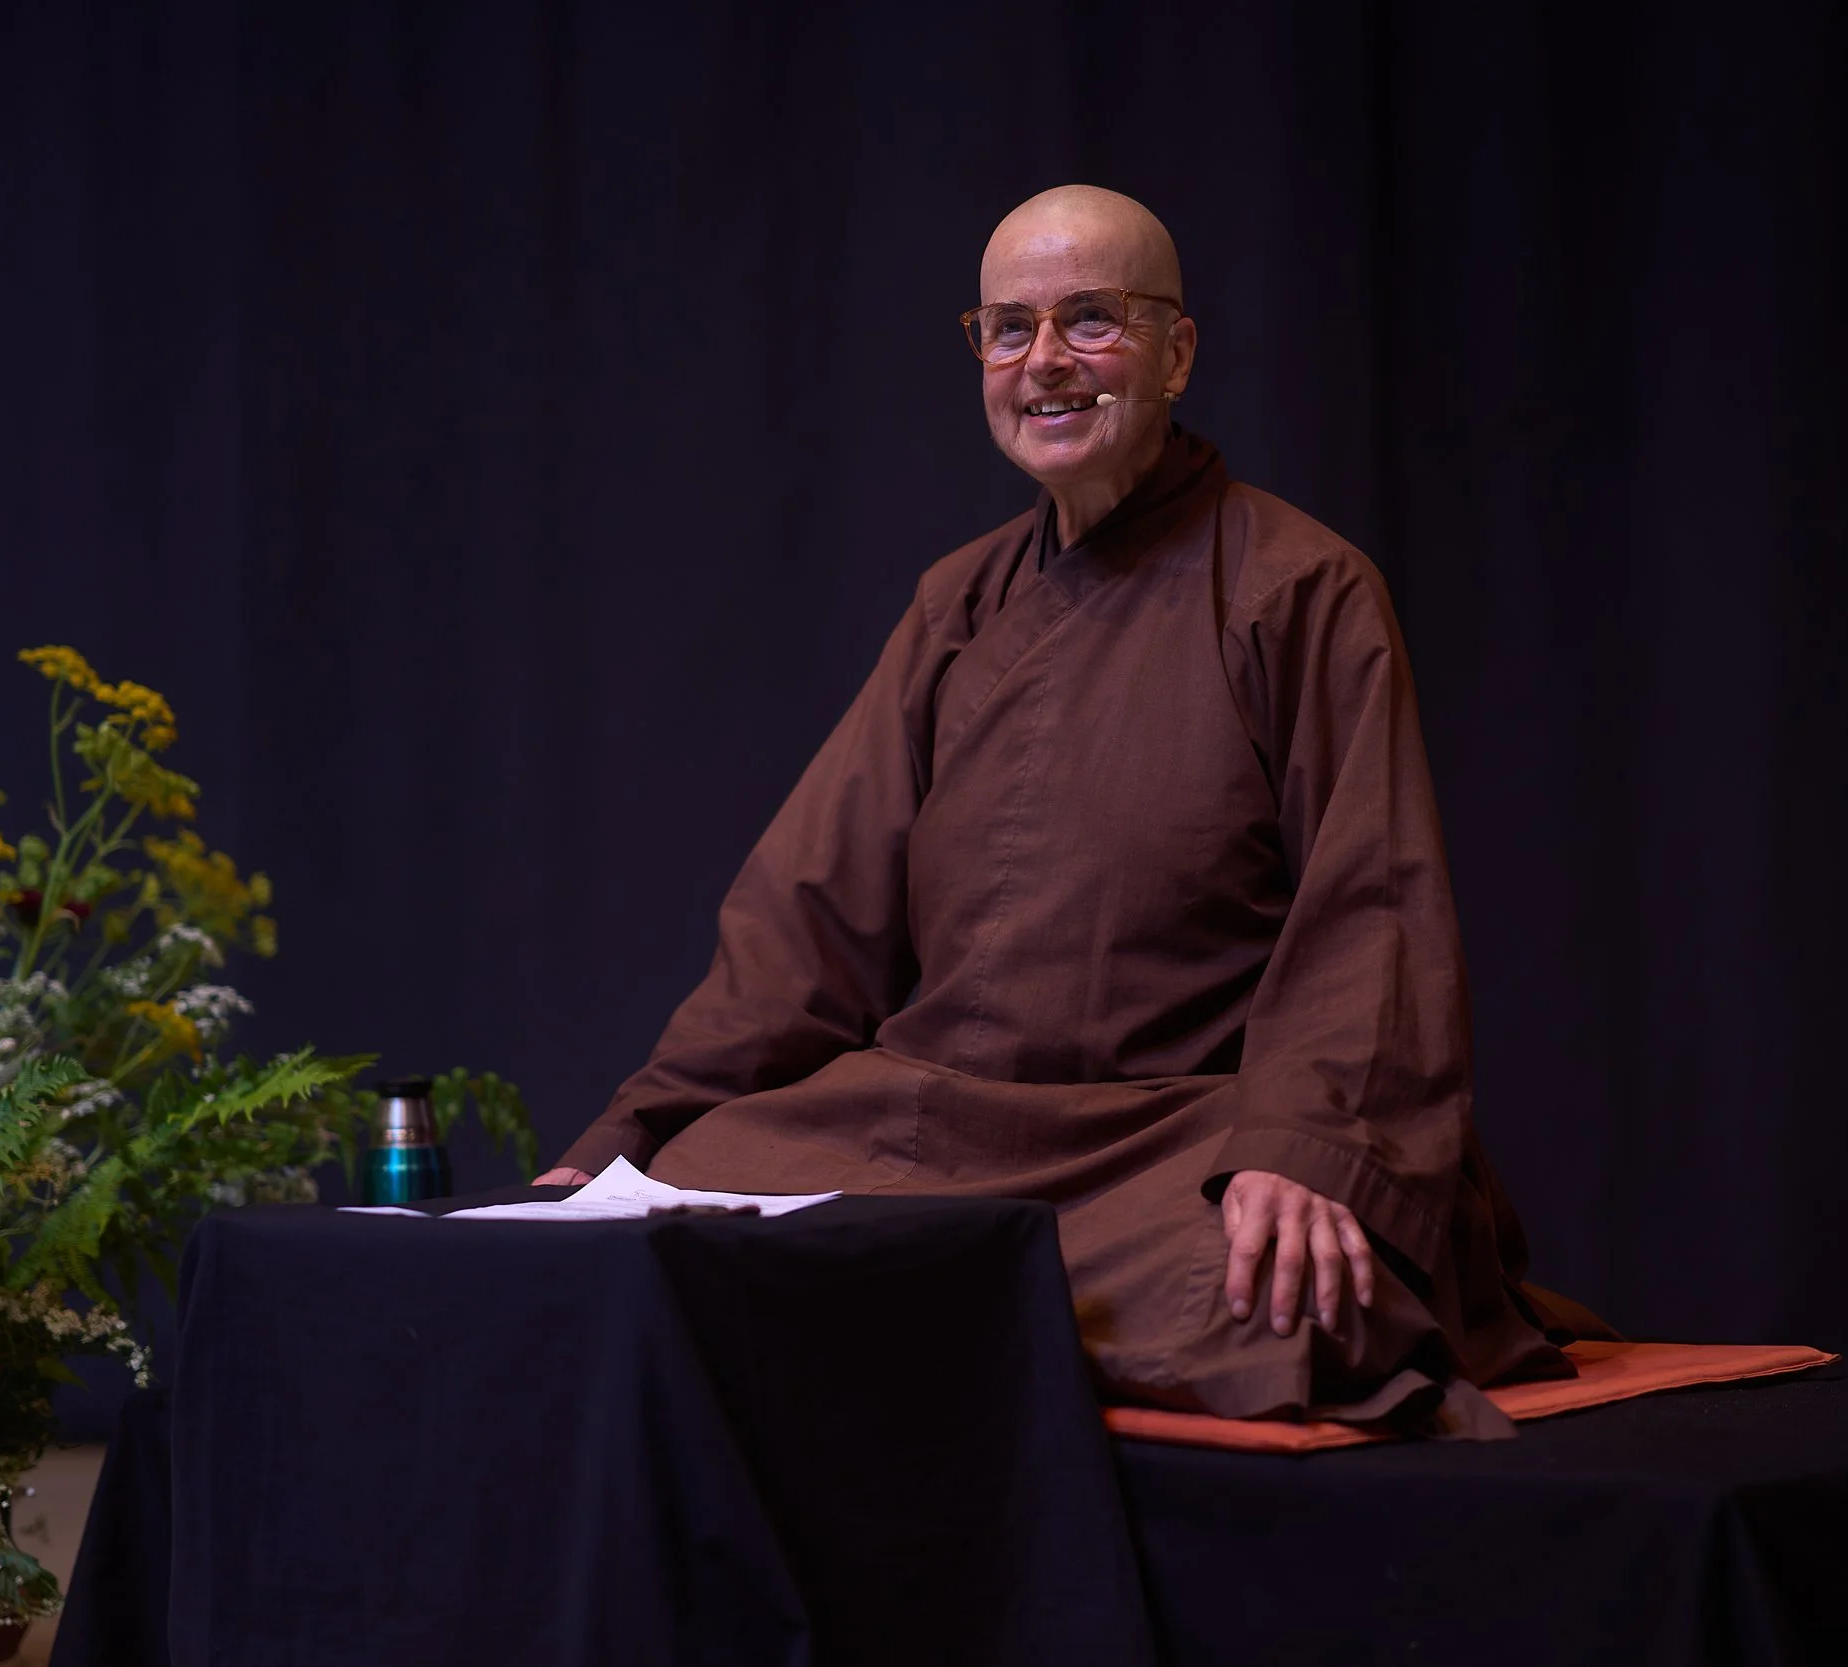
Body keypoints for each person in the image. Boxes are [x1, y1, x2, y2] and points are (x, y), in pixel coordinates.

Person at [541, 185, 1587, 1432]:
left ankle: (1050, 1267)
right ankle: (938, 1274)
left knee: (1279, 1289)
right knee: (683, 1206)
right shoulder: (956, 603)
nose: (1044, 362)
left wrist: (1305, 1154)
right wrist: (631, 1134)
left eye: (1091, 320)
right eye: (1008, 327)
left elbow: (1372, 904)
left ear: (1176, 353)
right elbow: (804, 919)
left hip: (1162, 1133)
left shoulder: (1297, 587)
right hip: (938, 1127)